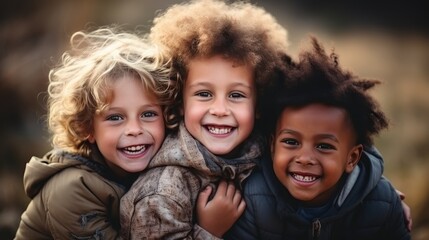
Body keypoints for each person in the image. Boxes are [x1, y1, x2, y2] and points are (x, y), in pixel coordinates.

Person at [119, 0, 290, 239]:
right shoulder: (162, 191)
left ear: (258, 104)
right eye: (204, 94)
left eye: (236, 95)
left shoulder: (269, 154)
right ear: (180, 102)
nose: (220, 109)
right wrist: (208, 231)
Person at [225, 37, 411, 240]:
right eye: (291, 142)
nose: (305, 158)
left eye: (323, 146)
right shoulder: (253, 198)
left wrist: (387, 200)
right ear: (272, 146)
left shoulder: (381, 203)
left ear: (352, 158)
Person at [14, 26, 174, 239]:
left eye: (148, 114)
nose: (135, 130)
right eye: (115, 118)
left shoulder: (156, 172)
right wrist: (209, 230)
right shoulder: (72, 191)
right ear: (87, 128)